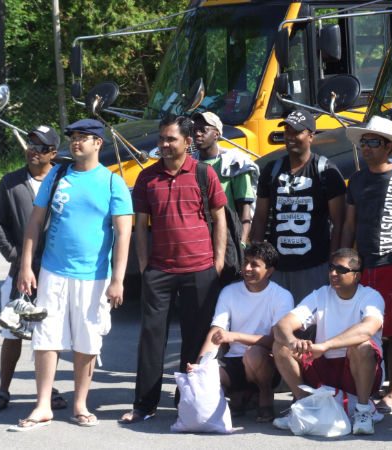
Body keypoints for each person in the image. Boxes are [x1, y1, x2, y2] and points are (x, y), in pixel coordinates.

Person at [13, 119, 133, 430]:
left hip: (93, 276)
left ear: (98, 143)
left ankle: (80, 404)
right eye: (73, 137)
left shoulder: (113, 183)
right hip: (52, 271)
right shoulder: (57, 175)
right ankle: (42, 405)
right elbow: (35, 223)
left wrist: (118, 279)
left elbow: (123, 234)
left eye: (83, 137)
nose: (76, 142)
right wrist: (26, 266)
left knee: (87, 339)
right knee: (45, 336)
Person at [120, 115, 227, 424]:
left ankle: (187, 402)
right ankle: (144, 405)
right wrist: (144, 266)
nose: (164, 144)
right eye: (161, 138)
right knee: (151, 339)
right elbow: (141, 226)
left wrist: (218, 262)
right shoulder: (147, 177)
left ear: (187, 142)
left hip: (200, 269)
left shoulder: (204, 173)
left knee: (194, 339)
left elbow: (219, 217)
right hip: (159, 271)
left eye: (171, 139)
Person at [0, 125, 67, 414]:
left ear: (52, 153)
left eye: (40, 147)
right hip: (19, 274)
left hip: (54, 272)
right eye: (30, 144)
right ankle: (2, 390)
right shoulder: (10, 182)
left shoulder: (64, 181)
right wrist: (18, 259)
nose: (32, 150)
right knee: (12, 333)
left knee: (49, 336)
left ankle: (47, 390)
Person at [342, 115, 392, 414]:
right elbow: (349, 223)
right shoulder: (357, 179)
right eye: (363, 142)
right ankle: (364, 388)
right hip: (362, 267)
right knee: (360, 329)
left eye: (373, 142)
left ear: (388, 147)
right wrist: (342, 260)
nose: (366, 147)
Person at [273, 248, 384, 435]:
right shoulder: (321, 294)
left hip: (357, 370)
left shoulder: (371, 296)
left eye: (341, 270)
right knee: (281, 345)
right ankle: (304, 408)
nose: (333, 273)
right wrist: (292, 342)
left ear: (356, 276)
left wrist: (325, 346)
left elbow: (367, 329)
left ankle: (363, 411)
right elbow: (281, 326)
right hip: (324, 365)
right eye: (331, 268)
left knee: (363, 346)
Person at [186, 242, 293, 423]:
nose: (247, 268)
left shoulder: (282, 296)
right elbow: (216, 332)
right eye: (246, 262)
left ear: (269, 271)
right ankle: (240, 394)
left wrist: (235, 336)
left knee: (254, 353)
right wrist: (199, 366)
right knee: (207, 373)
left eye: (255, 264)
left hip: (265, 360)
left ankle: (265, 393)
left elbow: (275, 340)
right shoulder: (229, 291)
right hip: (234, 361)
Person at [251, 109, 346, 303]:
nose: (290, 137)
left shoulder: (326, 171)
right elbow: (260, 217)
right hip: (277, 268)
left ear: (311, 136)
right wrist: (256, 260)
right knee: (278, 320)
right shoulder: (272, 170)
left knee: (311, 320)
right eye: (287, 131)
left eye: (297, 132)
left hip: (314, 267)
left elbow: (339, 223)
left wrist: (334, 264)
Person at [192, 111, 259, 245]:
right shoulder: (191, 164)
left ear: (216, 134)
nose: (197, 134)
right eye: (195, 130)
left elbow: (245, 211)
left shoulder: (234, 163)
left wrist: (242, 243)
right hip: (200, 238)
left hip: (229, 237)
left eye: (203, 130)